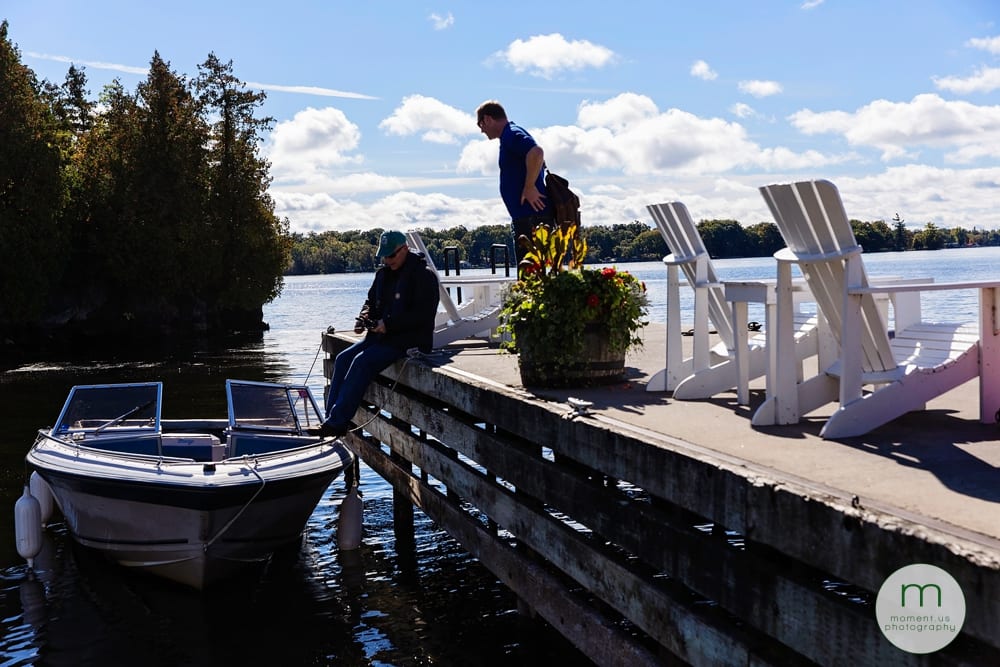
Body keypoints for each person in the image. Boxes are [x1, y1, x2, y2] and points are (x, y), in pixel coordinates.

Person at [317, 230, 440, 436]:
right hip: (380, 338)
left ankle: (337, 423)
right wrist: (363, 318)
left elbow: (422, 316)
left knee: (361, 362)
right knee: (343, 359)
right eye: (384, 256)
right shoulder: (383, 275)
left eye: (391, 255)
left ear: (405, 249)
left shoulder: (424, 276)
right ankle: (331, 420)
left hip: (408, 341)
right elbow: (370, 302)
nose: (387, 260)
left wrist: (388, 325)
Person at [476, 100, 554, 266]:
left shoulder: (511, 134)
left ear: (488, 119)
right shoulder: (509, 135)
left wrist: (529, 186)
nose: (481, 130)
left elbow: (536, 152)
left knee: (530, 273)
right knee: (531, 272)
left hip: (531, 217)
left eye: (480, 124)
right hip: (526, 216)